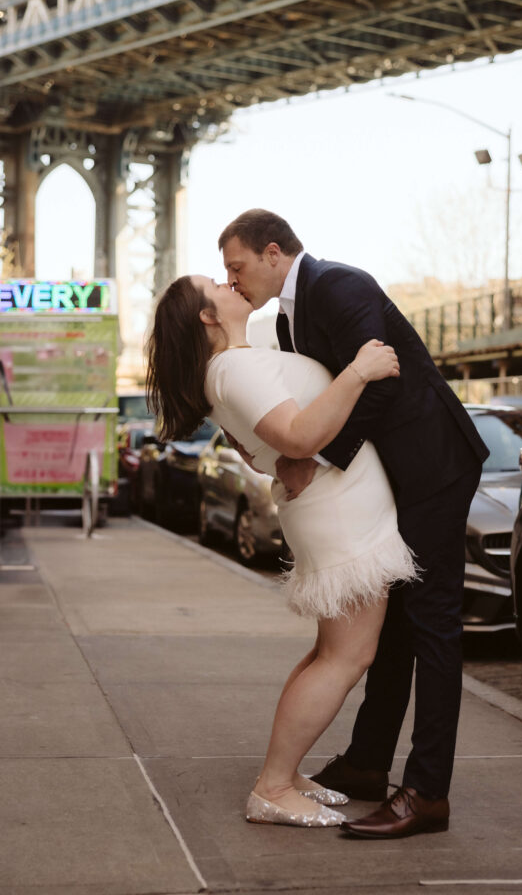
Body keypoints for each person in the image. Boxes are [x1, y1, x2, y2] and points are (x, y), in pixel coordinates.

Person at [219, 210, 489, 840]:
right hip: (398, 479)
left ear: (273, 252)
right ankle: (369, 764)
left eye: (237, 266)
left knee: (432, 626)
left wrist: (313, 459)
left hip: (434, 469)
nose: (231, 281)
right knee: (391, 626)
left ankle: (426, 792)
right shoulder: (287, 316)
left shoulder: (339, 285)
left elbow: (381, 382)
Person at [146, 273, 419, 829]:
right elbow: (296, 437)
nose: (228, 283)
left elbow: (261, 449)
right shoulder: (234, 367)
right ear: (206, 315)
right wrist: (359, 371)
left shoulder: (235, 365)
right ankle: (272, 786)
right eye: (215, 283)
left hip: (336, 506)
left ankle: (285, 774)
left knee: (329, 653)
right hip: (340, 514)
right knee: (348, 658)